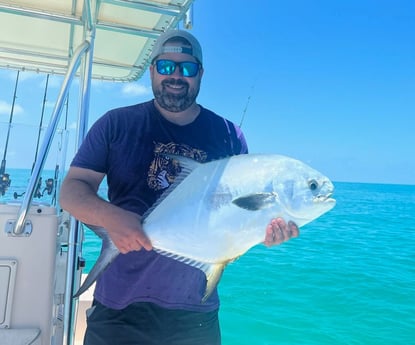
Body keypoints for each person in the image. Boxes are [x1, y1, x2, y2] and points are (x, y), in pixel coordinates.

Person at [60, 29, 299, 345]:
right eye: (166, 66)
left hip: (194, 311)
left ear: (200, 74)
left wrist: (260, 232)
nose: (176, 76)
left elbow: (236, 219)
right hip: (120, 305)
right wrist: (110, 218)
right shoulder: (116, 124)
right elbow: (71, 191)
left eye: (187, 68)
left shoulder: (229, 136)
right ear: (152, 70)